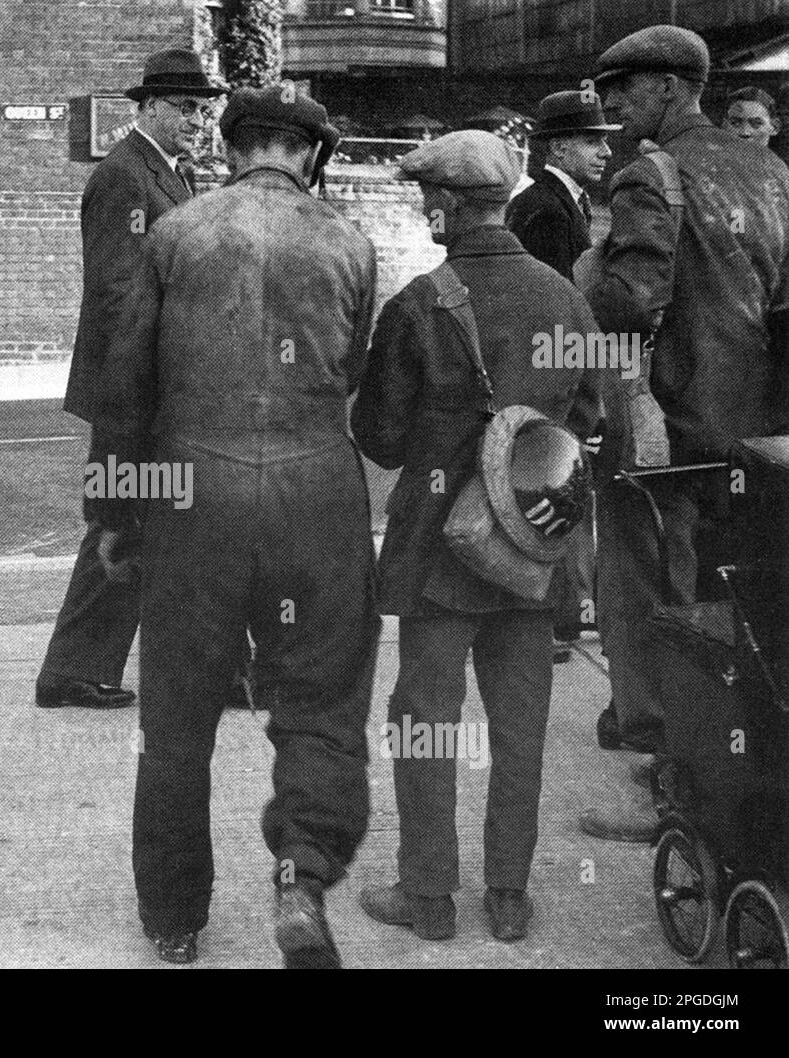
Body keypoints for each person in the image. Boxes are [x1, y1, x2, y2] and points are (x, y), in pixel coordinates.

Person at [92, 85, 380, 967]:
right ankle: (301, 870)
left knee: (176, 714)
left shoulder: (176, 233)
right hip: (317, 493)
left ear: (231, 149)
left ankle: (175, 919)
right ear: (312, 155)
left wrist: (112, 508)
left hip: (193, 493)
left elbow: (125, 383)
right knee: (323, 702)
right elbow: (354, 370)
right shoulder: (350, 241)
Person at [355, 130, 600, 943]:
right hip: (533, 550)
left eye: (428, 198)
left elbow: (381, 437)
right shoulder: (565, 298)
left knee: (427, 718)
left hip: (440, 550)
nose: (423, 209)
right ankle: (508, 898)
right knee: (521, 724)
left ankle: (428, 898)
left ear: (449, 206)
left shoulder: (422, 303)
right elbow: (589, 420)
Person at [576, 26, 789, 842]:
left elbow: (627, 304)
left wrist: (587, 272)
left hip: (665, 429)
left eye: (622, 90)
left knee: (645, 597)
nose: (611, 106)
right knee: (735, 601)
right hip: (757, 434)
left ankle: (666, 781)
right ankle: (738, 772)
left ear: (670, 88)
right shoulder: (771, 170)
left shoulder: (649, 175)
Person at [37, 49, 225, 711]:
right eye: (182, 106)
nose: (196, 120)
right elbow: (116, 294)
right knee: (125, 520)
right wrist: (146, 387)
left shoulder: (175, 174)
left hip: (160, 385)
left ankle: (93, 669)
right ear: (145, 107)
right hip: (134, 388)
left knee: (163, 523)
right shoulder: (124, 177)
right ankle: (75, 671)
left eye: (202, 109)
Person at [506, 90, 616, 654]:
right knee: (553, 486)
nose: (603, 151)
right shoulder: (548, 210)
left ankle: (560, 613)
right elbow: (556, 311)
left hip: (548, 373)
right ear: (558, 146)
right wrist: (582, 393)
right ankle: (549, 617)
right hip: (553, 376)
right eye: (592, 140)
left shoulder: (555, 201)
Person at [723, 85, 780, 150]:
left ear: (775, 127)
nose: (745, 132)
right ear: (724, 125)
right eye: (735, 123)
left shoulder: (775, 160)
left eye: (756, 123)